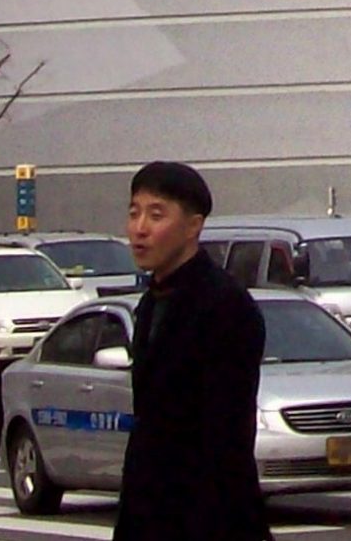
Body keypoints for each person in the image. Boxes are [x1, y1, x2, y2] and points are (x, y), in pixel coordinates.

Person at [115, 160, 269, 541]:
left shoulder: (225, 306)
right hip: (148, 509)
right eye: (134, 214)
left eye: (156, 215)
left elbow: (226, 439)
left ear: (193, 225)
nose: (140, 229)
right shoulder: (151, 303)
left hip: (207, 515)